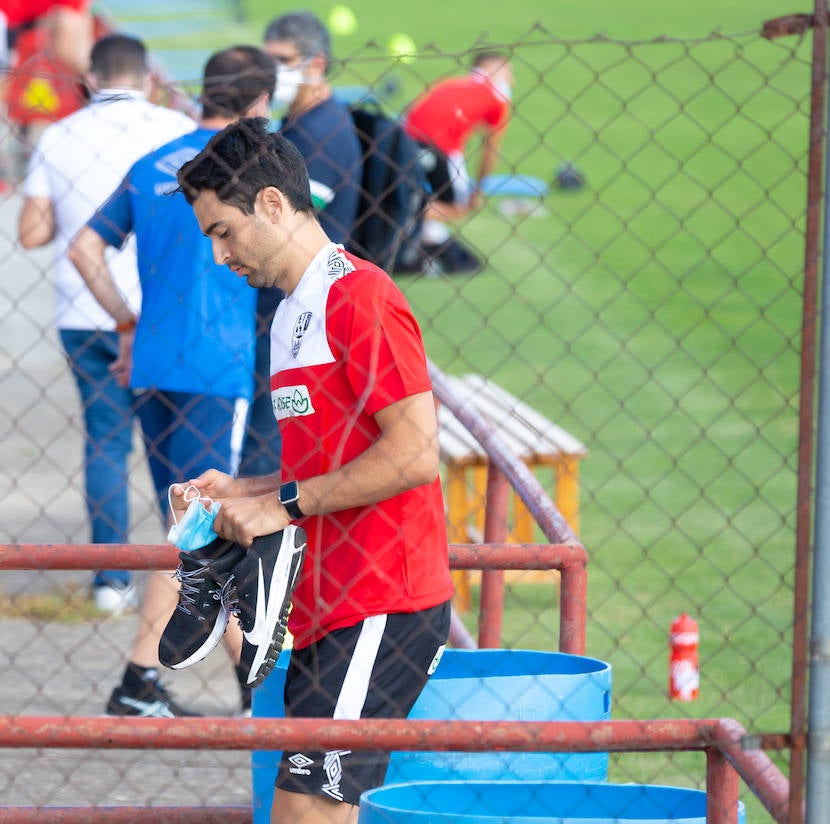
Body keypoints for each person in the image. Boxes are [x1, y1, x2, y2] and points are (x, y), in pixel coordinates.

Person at [176, 119, 454, 823]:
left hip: (384, 599)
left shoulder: (360, 294)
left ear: (273, 204)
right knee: (316, 810)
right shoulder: (289, 314)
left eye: (223, 231)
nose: (219, 255)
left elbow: (416, 453)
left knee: (305, 812)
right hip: (332, 604)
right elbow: (326, 465)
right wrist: (243, 491)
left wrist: (285, 505)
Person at [69, 46, 276, 718]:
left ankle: (255, 680)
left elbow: (83, 247)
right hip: (214, 367)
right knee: (193, 526)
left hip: (153, 363)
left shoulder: (157, 162)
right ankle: (140, 681)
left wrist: (126, 322)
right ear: (259, 106)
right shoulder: (250, 167)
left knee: (192, 524)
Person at [18, 33, 195, 613]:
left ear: (90, 79)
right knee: (173, 446)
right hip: (161, 308)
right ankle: (189, 570)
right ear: (146, 78)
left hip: (85, 308)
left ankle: (110, 578)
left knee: (105, 440)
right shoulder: (170, 130)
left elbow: (32, 231)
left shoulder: (59, 134)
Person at [241, 11, 364, 482]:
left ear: (316, 64)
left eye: (282, 61)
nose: (271, 73)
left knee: (273, 439)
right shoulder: (297, 125)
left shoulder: (324, 131)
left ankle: (265, 547)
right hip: (283, 305)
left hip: (305, 312)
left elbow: (281, 218)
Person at [0, 0, 93, 193]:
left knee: (2, 88)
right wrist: (89, 77)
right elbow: (74, 45)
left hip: (19, 19)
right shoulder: (75, 9)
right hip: (1, 14)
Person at [403, 51, 513, 253]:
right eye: (508, 72)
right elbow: (490, 151)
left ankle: (410, 218)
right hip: (439, 147)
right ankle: (406, 217)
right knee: (458, 206)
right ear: (495, 69)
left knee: (424, 192)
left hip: (404, 139)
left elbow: (411, 109)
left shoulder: (450, 82)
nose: (512, 80)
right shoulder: (498, 96)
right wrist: (478, 190)